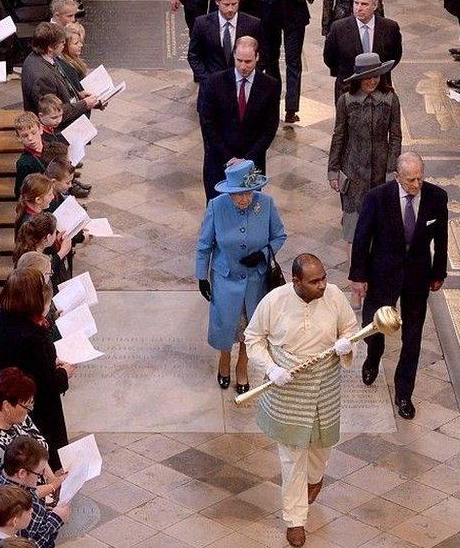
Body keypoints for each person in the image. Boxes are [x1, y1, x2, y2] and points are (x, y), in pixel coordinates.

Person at [243, 253, 359, 547]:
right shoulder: (274, 301)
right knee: (292, 458)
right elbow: (253, 338)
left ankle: (316, 477)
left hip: (324, 389)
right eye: (314, 281)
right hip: (288, 390)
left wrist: (347, 345)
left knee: (321, 449)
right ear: (296, 281)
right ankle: (295, 520)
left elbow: (350, 329)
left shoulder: (333, 297)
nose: (322, 285)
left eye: (323, 278)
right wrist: (271, 368)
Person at [349, 152, 448, 419]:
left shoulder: (437, 198)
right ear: (398, 177)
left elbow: (441, 238)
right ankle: (373, 356)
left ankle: (404, 393)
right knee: (373, 326)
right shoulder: (377, 197)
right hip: (382, 272)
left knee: (413, 337)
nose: (416, 185)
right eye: (411, 180)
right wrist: (358, 276)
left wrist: (439, 271)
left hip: (417, 276)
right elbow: (362, 238)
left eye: (420, 178)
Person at [196, 161, 286, 393]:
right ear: (229, 192)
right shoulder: (217, 206)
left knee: (251, 328)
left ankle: (242, 367)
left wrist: (263, 255)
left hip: (256, 280)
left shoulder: (266, 204)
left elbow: (279, 235)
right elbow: (205, 244)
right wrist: (201, 276)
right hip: (226, 278)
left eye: (248, 192)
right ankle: (224, 360)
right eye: (238, 194)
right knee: (227, 324)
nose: (245, 199)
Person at [0, 268, 73, 468]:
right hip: (32, 410)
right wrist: (64, 372)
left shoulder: (0, 315)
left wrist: (48, 361)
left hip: (7, 395)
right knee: (39, 460)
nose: (47, 305)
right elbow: (45, 385)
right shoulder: (32, 337)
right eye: (45, 301)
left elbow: (30, 366)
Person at [327, 53, 402, 262]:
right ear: (358, 77)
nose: (372, 81)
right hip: (353, 172)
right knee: (353, 230)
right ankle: (356, 278)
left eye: (376, 76)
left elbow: (395, 137)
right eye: (367, 77)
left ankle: (376, 273)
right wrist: (333, 171)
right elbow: (339, 136)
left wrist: (391, 169)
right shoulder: (346, 100)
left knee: (380, 227)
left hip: (380, 171)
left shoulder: (390, 99)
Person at [197, 36, 281, 201]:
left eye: (248, 61)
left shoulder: (270, 86)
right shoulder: (214, 83)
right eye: (239, 60)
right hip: (219, 161)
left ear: (257, 57)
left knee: (249, 212)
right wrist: (228, 157)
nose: (243, 66)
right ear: (234, 56)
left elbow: (270, 128)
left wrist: (246, 159)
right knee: (219, 212)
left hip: (252, 163)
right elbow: (208, 124)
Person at [0, 436, 69, 548]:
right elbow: (32, 544)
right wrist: (56, 520)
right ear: (22, 473)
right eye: (39, 473)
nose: (43, 476)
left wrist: (53, 486)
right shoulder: (18, 510)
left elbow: (31, 492)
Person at [0, 368, 57, 483]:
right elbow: (17, 492)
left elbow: (39, 448)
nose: (30, 410)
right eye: (27, 407)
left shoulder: (15, 415)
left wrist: (51, 478)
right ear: (7, 406)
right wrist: (52, 487)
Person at [322, 0, 402, 102]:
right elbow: (329, 58)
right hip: (348, 90)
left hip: (380, 89)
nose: (358, 8)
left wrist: (376, 76)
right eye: (356, 3)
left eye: (364, 4)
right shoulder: (338, 28)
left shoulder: (390, 28)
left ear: (375, 5)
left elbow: (395, 56)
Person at [21, 23, 98, 128]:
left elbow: (62, 83)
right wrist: (84, 104)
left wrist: (78, 94)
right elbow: (52, 113)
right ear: (50, 48)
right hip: (58, 131)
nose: (64, 44)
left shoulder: (42, 57)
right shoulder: (41, 77)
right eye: (61, 42)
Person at [187, 0, 264, 84]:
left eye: (234, 4)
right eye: (226, 5)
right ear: (217, 2)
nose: (230, 9)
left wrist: (248, 77)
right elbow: (194, 55)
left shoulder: (253, 24)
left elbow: (262, 55)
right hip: (211, 85)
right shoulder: (202, 24)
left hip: (242, 85)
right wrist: (206, 79)